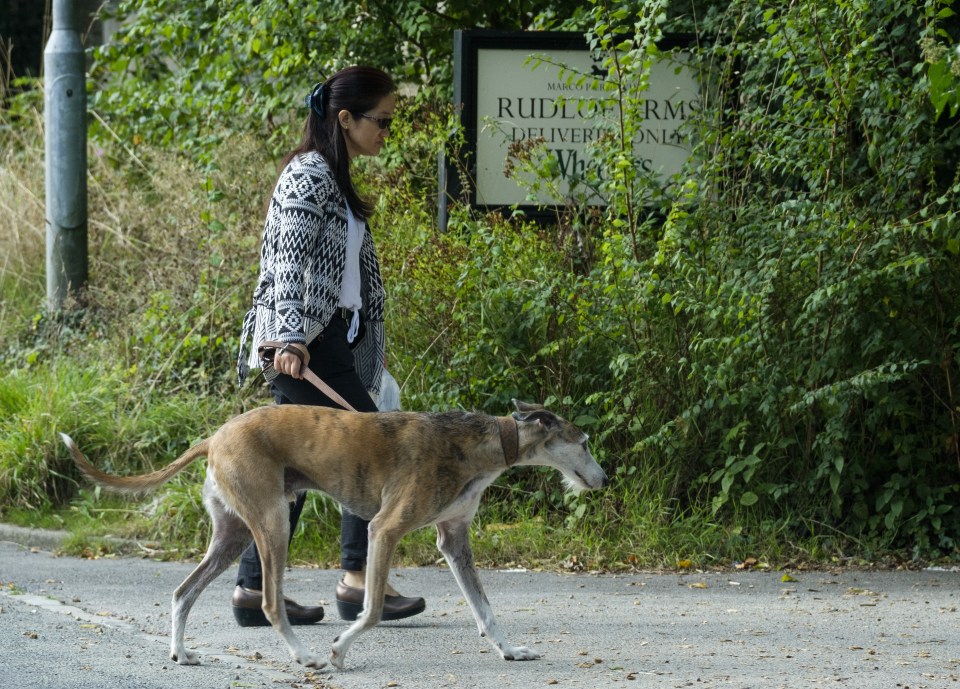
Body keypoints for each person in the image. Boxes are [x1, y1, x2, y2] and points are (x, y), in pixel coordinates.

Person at [233, 65, 425, 627]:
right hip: (303, 346)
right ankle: (360, 580)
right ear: (345, 118)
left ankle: (254, 588)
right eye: (381, 121)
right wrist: (290, 337)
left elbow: (345, 276)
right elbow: (286, 260)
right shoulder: (308, 175)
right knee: (375, 452)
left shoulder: (332, 178)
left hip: (328, 343)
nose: (387, 133)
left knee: (298, 470)